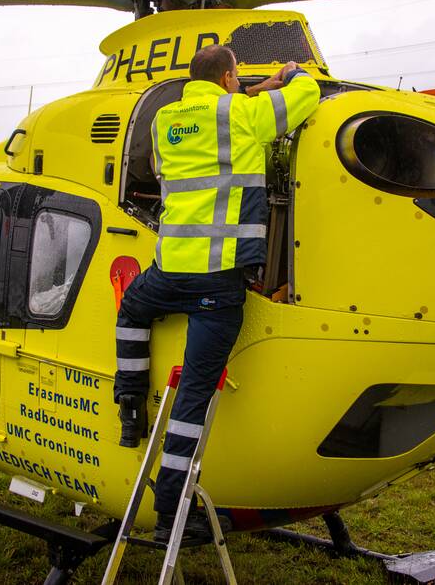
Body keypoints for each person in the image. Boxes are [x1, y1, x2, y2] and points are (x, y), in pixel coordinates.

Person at [113, 44, 321, 543]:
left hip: (167, 272)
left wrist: (250, 91)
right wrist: (291, 74)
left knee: (130, 311)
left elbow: (199, 135)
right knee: (192, 399)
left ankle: (129, 403)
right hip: (217, 281)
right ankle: (171, 517)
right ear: (229, 76)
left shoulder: (165, 120)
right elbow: (307, 95)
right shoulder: (242, 113)